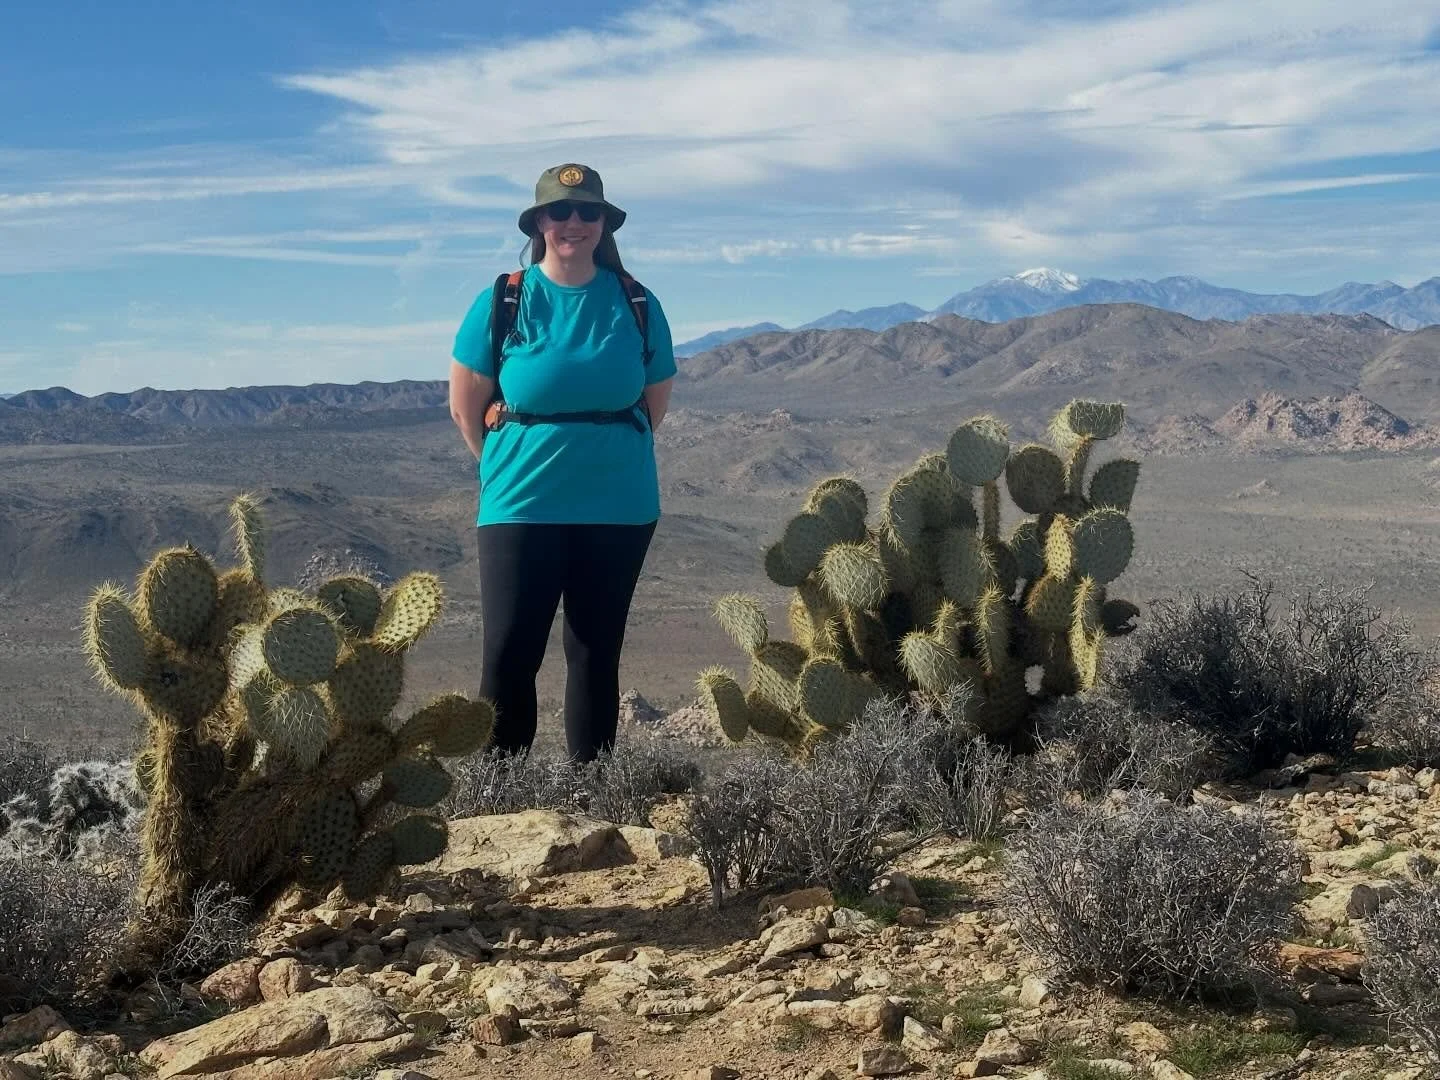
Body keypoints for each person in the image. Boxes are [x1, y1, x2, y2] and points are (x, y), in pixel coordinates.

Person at [447, 163, 676, 764]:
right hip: (520, 501)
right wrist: (508, 461)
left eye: (588, 212)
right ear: (539, 222)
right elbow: (465, 406)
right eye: (560, 211)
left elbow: (653, 404)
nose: (574, 223)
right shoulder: (504, 298)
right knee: (508, 652)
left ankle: (593, 792)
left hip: (619, 506)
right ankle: (500, 797)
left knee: (596, 651)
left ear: (604, 222)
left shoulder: (635, 301)